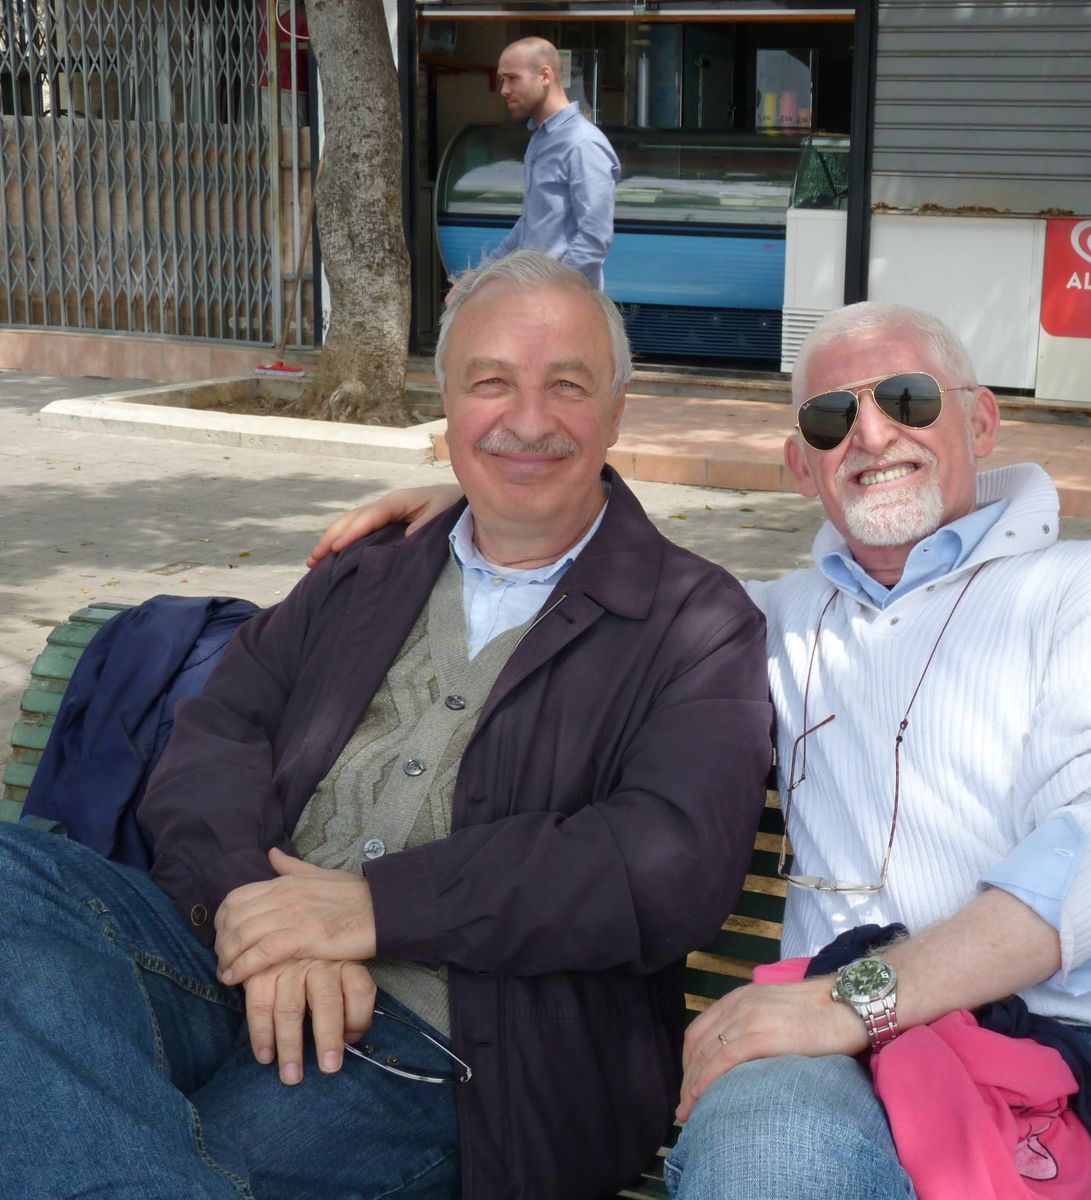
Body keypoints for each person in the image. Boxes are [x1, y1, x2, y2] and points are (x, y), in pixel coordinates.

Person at [309, 302, 1091, 1199]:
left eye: (908, 399)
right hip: (821, 1057)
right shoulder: (771, 622)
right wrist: (497, 500)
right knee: (769, 1151)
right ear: (801, 466)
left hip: (1074, 1048)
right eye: (832, 419)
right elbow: (613, 595)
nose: (872, 435)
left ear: (981, 420)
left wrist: (857, 998)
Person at [0, 250, 772, 1200]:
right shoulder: (369, 571)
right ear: (447, 406)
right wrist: (264, 916)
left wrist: (374, 909)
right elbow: (218, 734)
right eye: (492, 383)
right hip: (227, 962)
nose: (529, 420)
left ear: (616, 412)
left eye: (568, 386)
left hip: (463, 1044)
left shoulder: (696, 620)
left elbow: (667, 861)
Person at [485, 36, 620, 288]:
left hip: (562, 304)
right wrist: (478, 277)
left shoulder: (582, 143)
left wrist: (551, 292)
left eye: (512, 78)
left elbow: (594, 239)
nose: (504, 89)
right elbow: (530, 225)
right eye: (502, 79)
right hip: (534, 296)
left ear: (545, 76)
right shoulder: (540, 138)